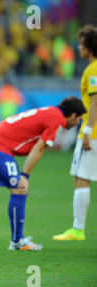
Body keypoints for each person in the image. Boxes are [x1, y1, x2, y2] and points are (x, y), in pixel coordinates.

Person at [0, 97, 86, 250]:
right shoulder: (56, 119)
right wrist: (25, 175)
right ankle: (17, 241)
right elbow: (39, 148)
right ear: (72, 115)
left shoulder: (51, 112)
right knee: (20, 188)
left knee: (18, 189)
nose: (78, 123)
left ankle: (17, 240)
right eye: (79, 119)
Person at [53, 25, 97, 241]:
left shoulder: (93, 70)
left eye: (81, 44)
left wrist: (87, 131)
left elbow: (96, 103)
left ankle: (78, 229)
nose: (78, 47)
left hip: (93, 134)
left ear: (90, 46)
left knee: (81, 178)